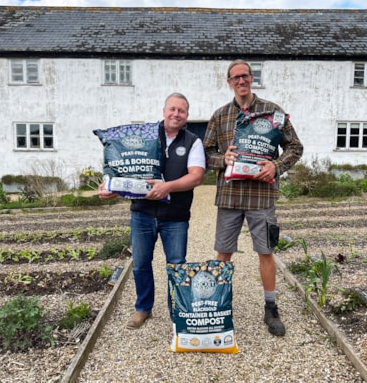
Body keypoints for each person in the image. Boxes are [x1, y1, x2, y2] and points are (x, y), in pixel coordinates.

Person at [203, 60, 303, 337]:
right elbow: (206, 154)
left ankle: (271, 308)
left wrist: (277, 166)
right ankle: (217, 305)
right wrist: (223, 159)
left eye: (245, 76)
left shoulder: (273, 112)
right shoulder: (220, 115)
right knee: (223, 252)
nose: (241, 81)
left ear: (252, 78)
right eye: (235, 77)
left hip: (262, 196)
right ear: (229, 82)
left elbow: (295, 146)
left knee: (266, 252)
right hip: (230, 197)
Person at [98, 92, 205, 329]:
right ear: (164, 111)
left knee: (176, 265)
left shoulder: (192, 142)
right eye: (172, 109)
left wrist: (168, 187)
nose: (176, 114)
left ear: (187, 115)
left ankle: (177, 310)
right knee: (140, 264)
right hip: (142, 214)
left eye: (182, 111)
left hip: (175, 217)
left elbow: (196, 177)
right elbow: (125, 169)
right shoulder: (142, 136)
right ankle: (143, 308)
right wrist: (112, 188)